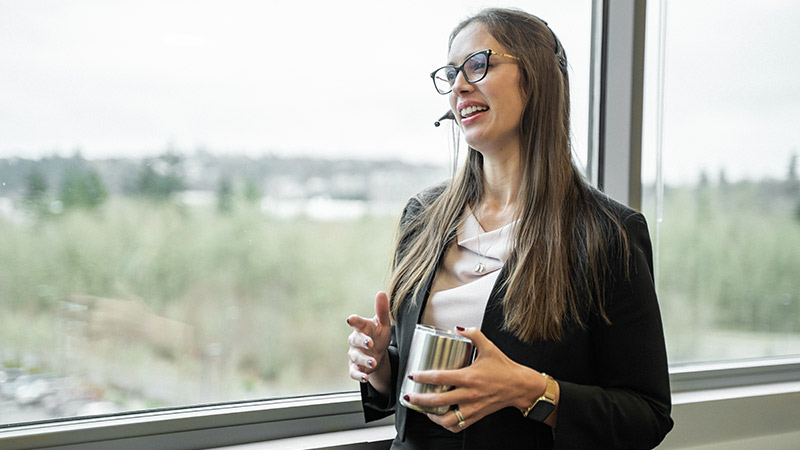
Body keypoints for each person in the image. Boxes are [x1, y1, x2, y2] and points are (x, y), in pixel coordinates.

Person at [346, 7, 673, 449]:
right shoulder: (423, 215)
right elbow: (418, 385)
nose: (459, 85)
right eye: (451, 73)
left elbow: (646, 416)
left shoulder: (608, 234)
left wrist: (529, 390)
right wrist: (382, 366)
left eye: (477, 65)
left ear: (535, 77)